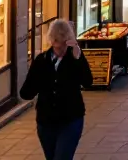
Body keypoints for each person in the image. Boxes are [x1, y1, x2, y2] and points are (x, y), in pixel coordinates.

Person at [19, 20, 92, 160]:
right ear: (51, 42)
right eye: (57, 46)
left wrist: (79, 58)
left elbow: (88, 82)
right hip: (46, 122)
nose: (60, 51)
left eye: (64, 45)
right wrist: (38, 81)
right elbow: (26, 93)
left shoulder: (74, 58)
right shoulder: (42, 60)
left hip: (70, 120)